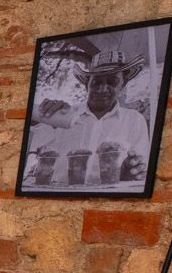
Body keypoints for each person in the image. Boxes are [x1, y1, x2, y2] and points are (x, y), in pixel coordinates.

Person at [25, 49, 150, 188]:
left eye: (112, 82)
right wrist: (37, 116)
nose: (103, 88)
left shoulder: (134, 120)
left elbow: (140, 169)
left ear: (122, 86)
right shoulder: (62, 116)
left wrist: (131, 172)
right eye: (96, 82)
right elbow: (25, 143)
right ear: (86, 85)